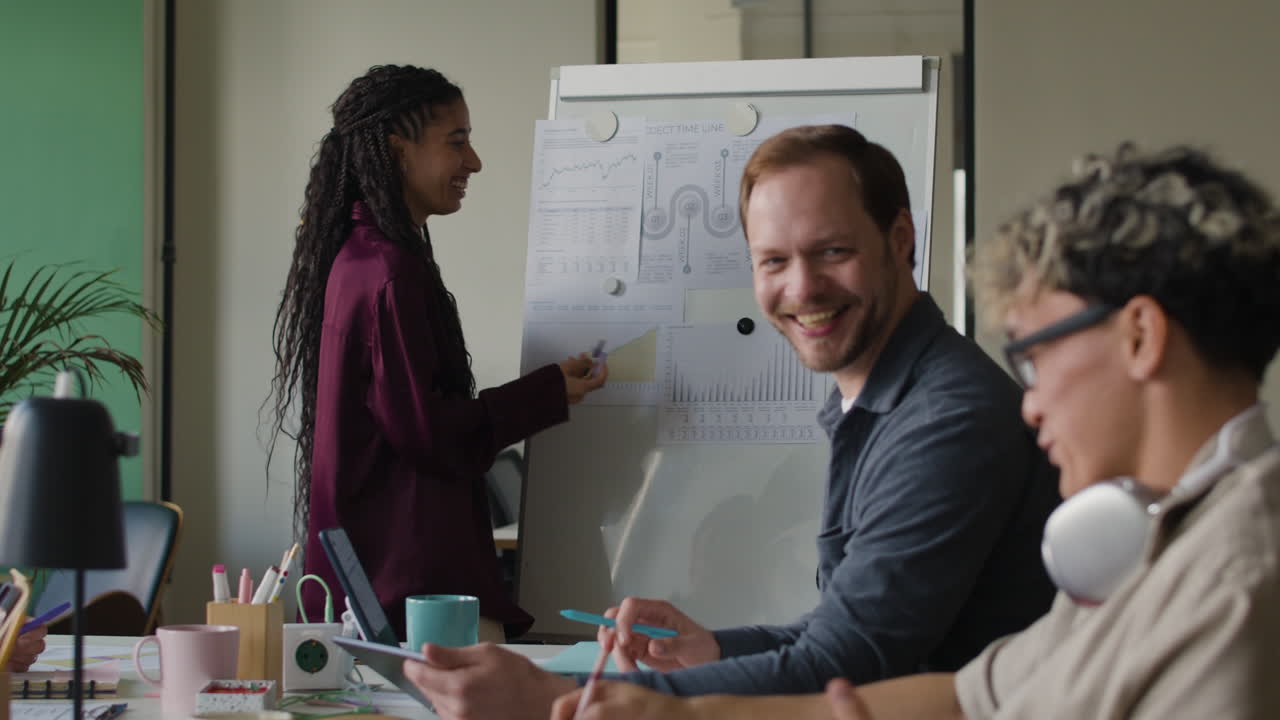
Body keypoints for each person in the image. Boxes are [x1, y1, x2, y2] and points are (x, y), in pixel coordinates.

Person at [552, 143, 1280, 719]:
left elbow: (857, 657)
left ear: (1140, 336)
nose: (1029, 404)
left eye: (1037, 355)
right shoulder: (1157, 546)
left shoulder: (1234, 583)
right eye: (773, 260)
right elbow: (974, 695)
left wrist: (577, 703)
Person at [400, 125, 1059, 718]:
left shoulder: (945, 420)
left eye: (832, 251)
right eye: (773, 261)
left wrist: (557, 698)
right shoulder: (883, 396)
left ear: (900, 240)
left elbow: (852, 661)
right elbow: (841, 632)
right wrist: (714, 648)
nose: (801, 288)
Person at [266, 65, 607, 641]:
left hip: (381, 583)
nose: (474, 162)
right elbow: (430, 434)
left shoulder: (364, 257)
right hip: (409, 591)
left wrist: (549, 387)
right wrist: (547, 392)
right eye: (457, 142)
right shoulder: (388, 271)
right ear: (398, 150)